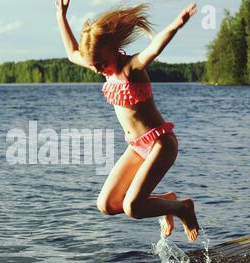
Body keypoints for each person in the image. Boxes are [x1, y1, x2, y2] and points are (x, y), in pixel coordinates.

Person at [55, 0, 200, 242]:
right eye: (93, 65)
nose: (97, 69)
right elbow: (71, 53)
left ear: (113, 48)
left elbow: (154, 48)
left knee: (133, 207)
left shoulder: (132, 68)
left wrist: (177, 24)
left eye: (100, 62)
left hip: (160, 144)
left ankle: (182, 208)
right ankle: (168, 201)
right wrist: (61, 15)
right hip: (136, 147)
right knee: (107, 204)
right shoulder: (102, 66)